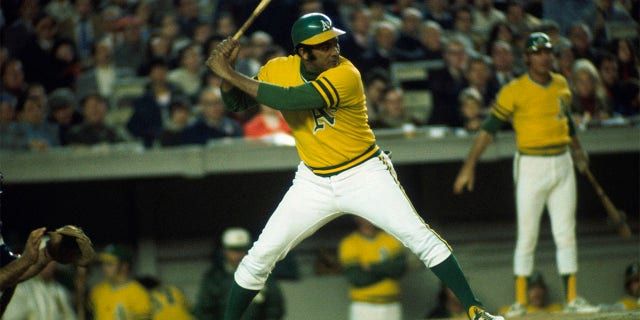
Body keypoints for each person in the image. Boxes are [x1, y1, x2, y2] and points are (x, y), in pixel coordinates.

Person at [206, 12, 503, 320]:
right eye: (323, 45)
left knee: (420, 238)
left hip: (363, 172)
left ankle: (476, 310)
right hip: (313, 181)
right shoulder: (278, 69)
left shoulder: (347, 74)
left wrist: (227, 72)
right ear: (303, 52)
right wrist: (226, 77)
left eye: (334, 41)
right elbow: (237, 104)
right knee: (260, 256)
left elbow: (293, 99)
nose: (334, 49)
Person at [453, 32, 598, 317]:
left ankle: (572, 298)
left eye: (548, 51)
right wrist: (469, 165)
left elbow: (565, 119)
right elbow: (489, 129)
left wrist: (578, 149)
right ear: (528, 58)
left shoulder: (561, 83)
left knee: (566, 233)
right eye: (538, 52)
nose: (545, 56)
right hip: (532, 164)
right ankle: (519, 300)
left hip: (563, 160)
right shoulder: (515, 89)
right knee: (527, 234)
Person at [194, 227, 285, 320]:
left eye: (242, 249)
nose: (238, 254)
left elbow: (275, 307)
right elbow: (204, 309)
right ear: (224, 251)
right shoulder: (214, 277)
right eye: (233, 250)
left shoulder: (262, 274)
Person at [338, 216, 407, 320]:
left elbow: (400, 269)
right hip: (364, 306)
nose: (368, 218)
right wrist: (387, 271)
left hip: (392, 305)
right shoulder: (349, 242)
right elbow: (356, 278)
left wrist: (371, 267)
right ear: (356, 218)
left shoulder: (390, 239)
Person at [89, 244, 152, 320]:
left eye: (109, 264)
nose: (104, 267)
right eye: (103, 263)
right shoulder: (97, 291)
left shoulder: (138, 294)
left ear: (124, 266)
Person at [3, 260, 77, 320]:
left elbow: (70, 316)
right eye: (46, 259)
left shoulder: (60, 291)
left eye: (52, 260)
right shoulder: (20, 288)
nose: (49, 264)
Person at [497, 271, 562, 316]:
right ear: (525, 292)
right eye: (532, 288)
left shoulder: (556, 310)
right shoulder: (513, 311)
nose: (537, 292)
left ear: (545, 291)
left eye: (539, 288)